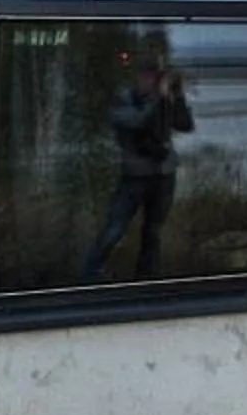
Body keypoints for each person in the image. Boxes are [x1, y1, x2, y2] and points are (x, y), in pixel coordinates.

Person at [82, 60, 195, 280]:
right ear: (138, 76)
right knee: (114, 228)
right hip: (135, 177)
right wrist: (160, 98)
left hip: (163, 175)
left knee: (153, 232)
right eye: (149, 76)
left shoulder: (161, 99)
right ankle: (90, 273)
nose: (152, 81)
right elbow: (137, 122)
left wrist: (178, 96)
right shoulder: (123, 99)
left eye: (156, 77)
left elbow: (185, 125)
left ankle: (147, 278)